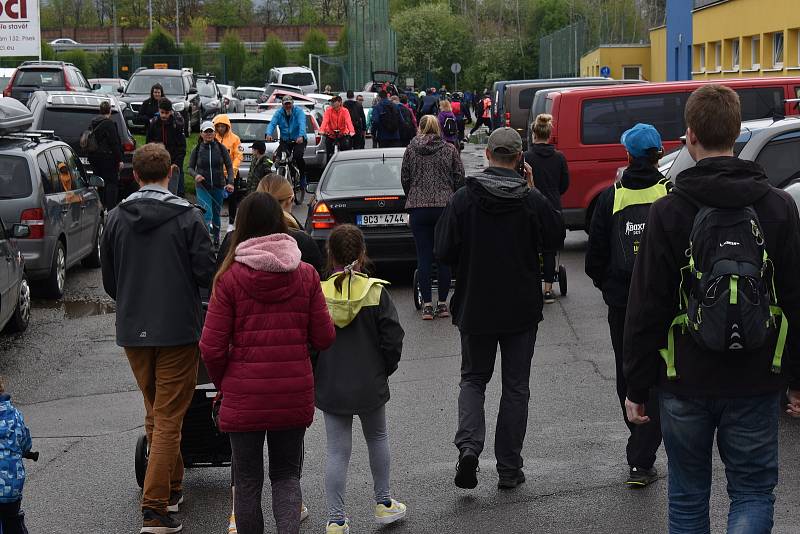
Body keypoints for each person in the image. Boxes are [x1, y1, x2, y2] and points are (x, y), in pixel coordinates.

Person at [623, 84, 800, 532]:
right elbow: (796, 297)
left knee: (686, 496)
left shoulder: (668, 211)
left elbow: (647, 305)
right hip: (758, 376)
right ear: (737, 133)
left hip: (684, 378)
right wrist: (797, 378)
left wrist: (637, 385)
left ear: (689, 136)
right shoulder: (777, 206)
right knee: (753, 492)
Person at [434, 127, 565, 491]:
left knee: (474, 379)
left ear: (488, 156)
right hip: (520, 308)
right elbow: (556, 236)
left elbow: (442, 249)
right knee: (515, 387)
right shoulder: (531, 200)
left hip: (476, 304)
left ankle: (469, 449)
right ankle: (509, 466)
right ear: (520, 159)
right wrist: (535, 189)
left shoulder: (464, 199)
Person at [200, 193, 336, 534]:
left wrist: (225, 383)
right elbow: (324, 338)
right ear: (280, 222)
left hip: (243, 396)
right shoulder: (305, 275)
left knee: (246, 482)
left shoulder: (229, 278)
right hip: (293, 392)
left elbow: (212, 348)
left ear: (242, 227)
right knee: (287, 476)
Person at [101, 143, 216, 534]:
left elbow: (110, 281)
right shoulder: (187, 217)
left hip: (134, 330)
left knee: (157, 411)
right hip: (177, 329)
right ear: (171, 172)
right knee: (168, 415)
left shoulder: (115, 218)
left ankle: (172, 488)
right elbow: (206, 272)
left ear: (135, 175)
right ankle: (154, 508)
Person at [585, 122, 667, 488]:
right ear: (658, 155)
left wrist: (612, 289)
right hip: (666, 302)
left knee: (628, 372)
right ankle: (647, 454)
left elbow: (594, 258)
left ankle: (640, 454)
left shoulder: (610, 196)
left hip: (623, 304)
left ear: (628, 155)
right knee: (667, 374)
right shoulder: (670, 193)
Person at [316, 224, 406, 534]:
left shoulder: (319, 293)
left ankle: (336, 519)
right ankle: (383, 503)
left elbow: (310, 342)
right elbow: (393, 338)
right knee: (377, 438)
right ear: (362, 254)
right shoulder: (375, 291)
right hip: (370, 381)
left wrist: (318, 373)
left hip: (331, 384)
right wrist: (384, 369)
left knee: (336, 451)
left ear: (331, 255)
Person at [402, 115, 464, 320]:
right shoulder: (449, 150)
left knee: (424, 256)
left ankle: (427, 304)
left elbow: (405, 178)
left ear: (419, 128)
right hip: (444, 207)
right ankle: (443, 304)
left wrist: (413, 194)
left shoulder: (411, 150)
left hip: (418, 207)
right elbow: (459, 177)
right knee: (443, 255)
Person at [523, 114, 569, 303]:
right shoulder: (559, 157)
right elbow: (565, 184)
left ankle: (532, 286)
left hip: (531, 205)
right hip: (552, 206)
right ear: (549, 134)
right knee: (550, 249)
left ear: (534, 133)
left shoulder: (526, 156)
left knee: (531, 247)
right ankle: (548, 289)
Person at [187, 121, 235, 249]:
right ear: (201, 134)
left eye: (211, 131)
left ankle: (217, 239)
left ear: (215, 133)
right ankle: (206, 242)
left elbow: (229, 166)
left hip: (218, 186)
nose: (208, 134)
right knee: (206, 214)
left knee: (216, 214)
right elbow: (190, 168)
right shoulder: (196, 149)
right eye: (206, 131)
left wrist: (230, 182)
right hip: (202, 187)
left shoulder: (221, 148)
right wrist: (196, 175)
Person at [0, 378, 32, 534]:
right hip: (11, 488)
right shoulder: (15, 415)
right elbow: (26, 442)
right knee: (13, 519)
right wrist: (25, 450)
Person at [146, 98, 187, 197]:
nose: (164, 115)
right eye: (162, 112)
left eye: (167, 113)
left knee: (176, 188)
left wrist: (176, 163)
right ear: (159, 111)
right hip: (158, 160)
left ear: (171, 112)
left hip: (174, 160)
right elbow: (148, 143)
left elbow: (182, 147)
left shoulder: (177, 124)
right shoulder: (154, 123)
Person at [87, 100, 123, 210]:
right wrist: (120, 159)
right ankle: (111, 208)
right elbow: (114, 143)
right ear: (110, 111)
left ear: (100, 110)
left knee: (99, 182)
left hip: (95, 158)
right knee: (111, 183)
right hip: (108, 159)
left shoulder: (93, 123)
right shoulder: (109, 124)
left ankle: (100, 206)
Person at [266, 96, 308, 188]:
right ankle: (282, 175)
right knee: (279, 157)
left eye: (289, 103)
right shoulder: (279, 113)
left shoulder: (298, 112)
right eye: (286, 104)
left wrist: (300, 135)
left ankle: (302, 176)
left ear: (292, 103)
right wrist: (268, 134)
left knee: (298, 156)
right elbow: (272, 124)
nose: (288, 106)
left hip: (298, 139)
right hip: (285, 140)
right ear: (282, 105)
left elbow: (302, 124)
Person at [213, 114, 243, 228]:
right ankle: (215, 221)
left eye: (223, 126)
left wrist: (233, 170)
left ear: (227, 126)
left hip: (231, 174)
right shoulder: (213, 137)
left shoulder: (235, 139)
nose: (220, 129)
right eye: (218, 126)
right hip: (216, 174)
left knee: (232, 199)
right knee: (216, 198)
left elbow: (238, 155)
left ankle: (231, 224)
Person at [319, 95, 355, 159]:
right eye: (331, 102)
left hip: (342, 133)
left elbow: (348, 121)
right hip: (331, 134)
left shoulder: (345, 111)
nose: (332, 103)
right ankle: (329, 163)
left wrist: (351, 131)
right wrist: (321, 130)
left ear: (340, 102)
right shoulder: (328, 110)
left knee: (345, 148)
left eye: (334, 101)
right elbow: (325, 121)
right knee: (329, 150)